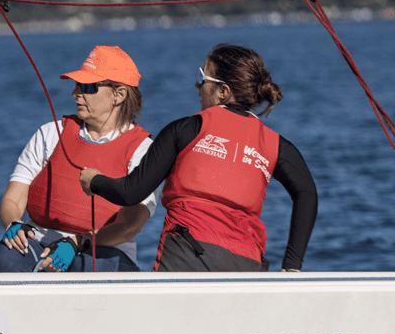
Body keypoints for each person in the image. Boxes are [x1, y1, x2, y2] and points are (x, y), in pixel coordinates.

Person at [80, 43, 317, 272]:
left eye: (202, 77)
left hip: (186, 257)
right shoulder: (276, 145)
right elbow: (306, 193)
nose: (197, 84)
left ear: (223, 91)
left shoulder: (185, 129)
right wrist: (292, 265)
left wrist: (95, 181)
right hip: (246, 265)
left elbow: (131, 192)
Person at [0, 46, 156, 273]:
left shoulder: (143, 150)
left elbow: (130, 225)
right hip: (40, 243)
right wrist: (13, 223)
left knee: (82, 264)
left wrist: (78, 242)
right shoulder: (49, 133)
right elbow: (13, 198)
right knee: (4, 255)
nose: (76, 93)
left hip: (103, 250)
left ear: (119, 94)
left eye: (87, 87)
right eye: (76, 85)